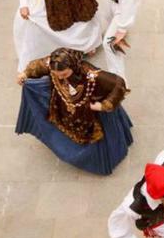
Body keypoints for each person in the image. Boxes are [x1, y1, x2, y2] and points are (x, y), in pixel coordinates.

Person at [16, 47, 132, 175]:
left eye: (64, 74)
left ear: (73, 67)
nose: (60, 77)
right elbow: (39, 65)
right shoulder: (53, 64)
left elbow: (119, 84)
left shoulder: (91, 75)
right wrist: (25, 74)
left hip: (90, 114)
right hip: (64, 106)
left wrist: (103, 106)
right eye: (56, 74)